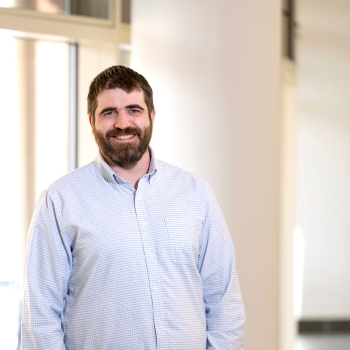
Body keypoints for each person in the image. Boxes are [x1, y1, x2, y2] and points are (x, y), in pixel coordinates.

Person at [21, 65, 245, 350]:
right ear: (91, 121)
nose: (122, 123)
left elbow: (224, 299)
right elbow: (40, 315)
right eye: (109, 112)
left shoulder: (196, 194)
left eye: (134, 110)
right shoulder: (60, 200)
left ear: (151, 116)